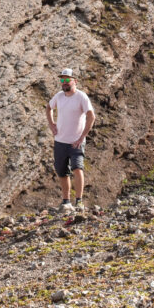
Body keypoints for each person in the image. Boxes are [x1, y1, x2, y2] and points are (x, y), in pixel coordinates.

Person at [46, 68, 95, 212]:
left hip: (76, 141)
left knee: (77, 167)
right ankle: (66, 201)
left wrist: (82, 137)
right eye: (62, 80)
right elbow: (49, 107)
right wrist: (51, 124)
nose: (64, 82)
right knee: (62, 171)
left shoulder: (81, 97)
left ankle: (79, 201)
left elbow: (91, 116)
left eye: (67, 79)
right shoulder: (59, 96)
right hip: (60, 140)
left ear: (75, 81)